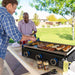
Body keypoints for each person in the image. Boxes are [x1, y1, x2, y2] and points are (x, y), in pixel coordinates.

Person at [0, 0, 36, 75]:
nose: (14, 11)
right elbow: (17, 36)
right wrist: (30, 38)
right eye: (14, 8)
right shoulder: (6, 15)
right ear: (9, 5)